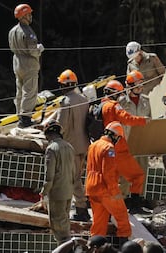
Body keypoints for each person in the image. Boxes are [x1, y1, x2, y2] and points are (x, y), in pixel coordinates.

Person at [101, 80, 150, 214]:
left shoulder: (101, 106)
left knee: (113, 179)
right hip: (119, 148)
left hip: (106, 146)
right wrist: (143, 120)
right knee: (138, 175)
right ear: (116, 93)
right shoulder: (114, 106)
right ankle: (134, 206)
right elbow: (127, 118)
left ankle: (112, 206)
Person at [85, 121, 130, 246]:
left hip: (91, 187)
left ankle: (93, 247)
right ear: (115, 136)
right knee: (122, 216)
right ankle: (125, 246)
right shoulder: (109, 148)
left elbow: (89, 168)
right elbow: (108, 173)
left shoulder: (93, 145)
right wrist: (115, 192)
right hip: (104, 189)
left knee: (99, 221)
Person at [55, 69, 91, 222]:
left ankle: (82, 210)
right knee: (77, 177)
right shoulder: (84, 99)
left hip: (70, 147)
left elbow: (61, 125)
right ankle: (81, 208)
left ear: (64, 86)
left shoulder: (66, 101)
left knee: (73, 179)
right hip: (84, 145)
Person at [9, 3, 45, 128]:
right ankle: (25, 119)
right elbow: (33, 51)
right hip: (29, 64)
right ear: (24, 16)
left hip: (17, 63)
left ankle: (20, 115)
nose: (30, 16)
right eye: (29, 14)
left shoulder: (12, 31)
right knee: (29, 92)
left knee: (19, 91)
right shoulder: (28, 31)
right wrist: (39, 49)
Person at [40, 119, 75, 245]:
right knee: (65, 221)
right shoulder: (69, 147)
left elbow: (49, 175)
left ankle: (65, 247)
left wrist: (44, 192)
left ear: (48, 134)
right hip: (68, 190)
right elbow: (74, 171)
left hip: (57, 192)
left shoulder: (51, 149)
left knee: (58, 225)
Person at [118, 70, 151, 197]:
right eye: (138, 85)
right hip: (126, 143)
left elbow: (150, 121)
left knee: (142, 172)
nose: (140, 87)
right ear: (130, 86)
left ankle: (137, 199)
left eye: (142, 84)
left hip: (142, 144)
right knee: (125, 174)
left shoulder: (146, 101)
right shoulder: (121, 102)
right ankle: (124, 198)